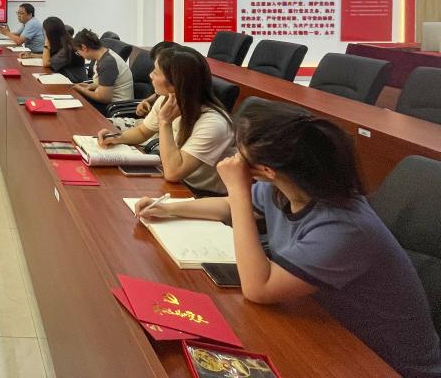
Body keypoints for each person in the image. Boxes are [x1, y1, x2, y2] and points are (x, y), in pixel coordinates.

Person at [133, 100, 441, 378]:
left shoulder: (344, 228)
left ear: (265, 170)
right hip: (322, 326)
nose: (232, 158)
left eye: (238, 152)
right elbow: (228, 206)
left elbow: (259, 288)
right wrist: (169, 209)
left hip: (382, 362)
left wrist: (238, 191)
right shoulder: (286, 185)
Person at [102, 46, 233, 193]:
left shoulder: (213, 123)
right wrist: (116, 138)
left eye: (156, 72)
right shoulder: (167, 100)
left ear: (175, 82)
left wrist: (165, 122)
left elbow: (173, 173)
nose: (150, 75)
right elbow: (142, 132)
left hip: (202, 194)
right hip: (177, 183)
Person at [71, 28, 133, 109]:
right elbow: (108, 84)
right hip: (109, 102)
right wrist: (90, 86)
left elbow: (104, 98)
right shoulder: (102, 55)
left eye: (78, 52)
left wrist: (81, 90)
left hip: (115, 107)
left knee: (77, 108)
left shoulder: (107, 63)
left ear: (84, 48)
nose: (80, 55)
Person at [134, 40, 179, 117]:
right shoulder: (162, 91)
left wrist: (163, 121)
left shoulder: (175, 99)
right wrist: (147, 100)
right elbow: (159, 94)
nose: (151, 75)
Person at [40, 16, 88, 83]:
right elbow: (51, 56)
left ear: (51, 33)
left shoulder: (67, 47)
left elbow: (46, 63)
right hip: (65, 77)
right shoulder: (63, 40)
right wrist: (32, 55)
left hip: (74, 82)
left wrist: (46, 43)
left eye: (45, 31)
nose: (44, 33)